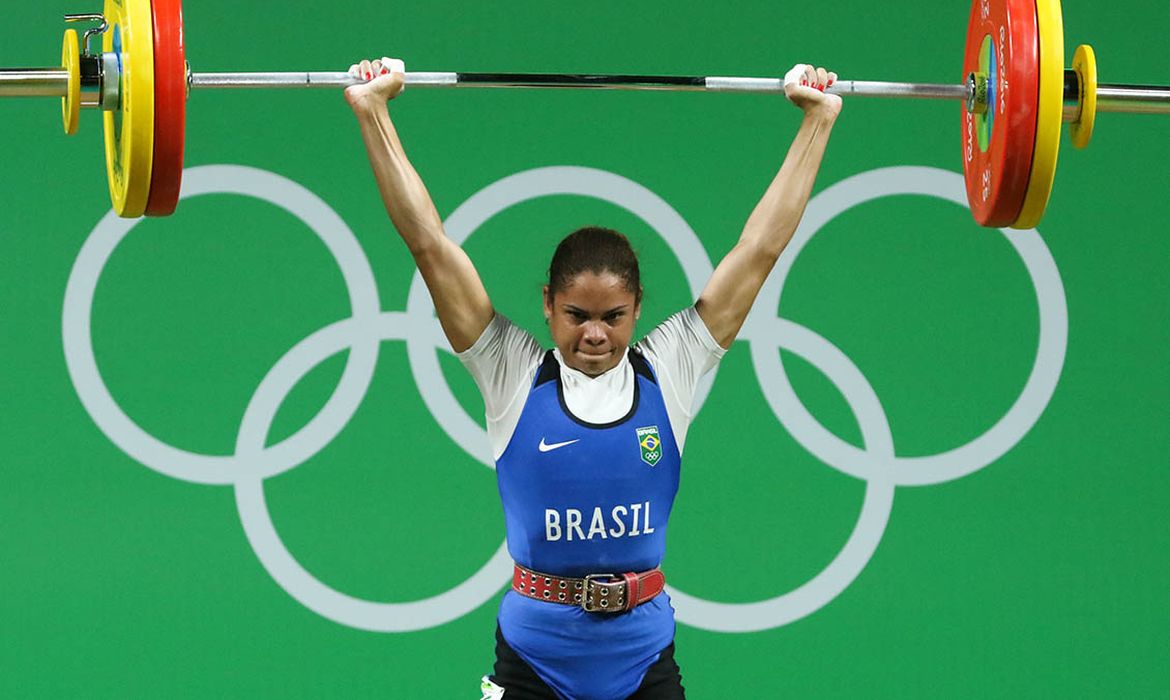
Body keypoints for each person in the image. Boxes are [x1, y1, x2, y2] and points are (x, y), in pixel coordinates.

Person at [344, 57, 841, 700]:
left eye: (614, 317)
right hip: (534, 660)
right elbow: (430, 244)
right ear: (548, 303)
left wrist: (817, 122)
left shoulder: (671, 367)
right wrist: (373, 112)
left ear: (638, 310)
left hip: (643, 657)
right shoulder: (512, 371)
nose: (595, 335)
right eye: (577, 316)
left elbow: (759, 250)